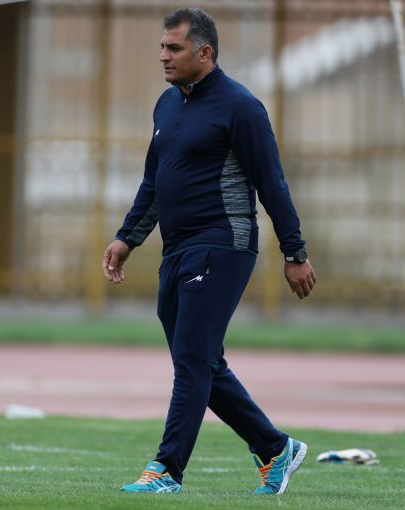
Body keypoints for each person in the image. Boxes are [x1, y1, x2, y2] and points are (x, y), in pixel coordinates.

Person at [102, 7, 316, 496]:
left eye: (173, 48)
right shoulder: (166, 105)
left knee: (193, 358)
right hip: (177, 249)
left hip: (223, 244)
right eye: (162, 47)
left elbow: (273, 183)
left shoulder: (241, 107)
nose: (163, 56)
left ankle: (166, 469)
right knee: (198, 360)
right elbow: (154, 182)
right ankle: (275, 448)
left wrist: (295, 252)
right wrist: (128, 237)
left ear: (205, 53)